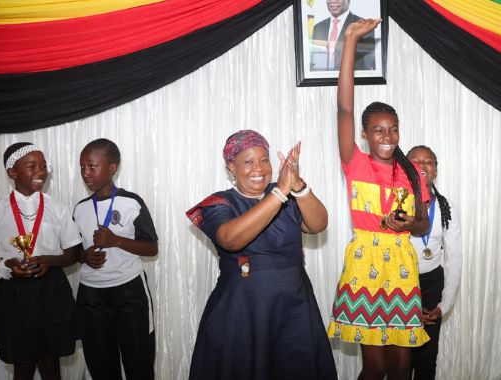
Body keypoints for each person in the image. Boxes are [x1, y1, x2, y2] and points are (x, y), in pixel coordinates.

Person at [186, 130, 336, 380]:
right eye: (248, 161)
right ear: (232, 166)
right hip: (242, 311)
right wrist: (279, 194)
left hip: (293, 307)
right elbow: (230, 239)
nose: (259, 168)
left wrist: (296, 184)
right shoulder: (219, 203)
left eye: (264, 160)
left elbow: (318, 224)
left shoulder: (288, 195)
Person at [327, 19, 430, 380]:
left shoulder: (412, 173)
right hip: (365, 265)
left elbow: (425, 224)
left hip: (401, 263)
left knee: (402, 366)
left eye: (393, 129)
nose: (387, 136)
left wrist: (408, 224)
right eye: (378, 130)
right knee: (375, 366)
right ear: (365, 134)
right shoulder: (355, 164)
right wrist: (351, 41)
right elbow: (343, 108)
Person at [0, 142, 81, 380]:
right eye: (32, 166)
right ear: (12, 172)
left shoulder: (57, 207)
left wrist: (49, 261)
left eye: (43, 166)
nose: (41, 172)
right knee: (22, 362)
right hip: (14, 293)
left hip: (50, 290)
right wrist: (6, 265)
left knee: (51, 361)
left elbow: (73, 254)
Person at [73, 138, 158, 380]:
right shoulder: (80, 208)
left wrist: (116, 240)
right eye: (82, 167)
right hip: (91, 296)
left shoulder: (131, 202)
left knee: (139, 365)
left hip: (129, 292)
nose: (85, 173)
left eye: (92, 166)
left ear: (112, 167)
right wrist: (84, 255)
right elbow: (74, 252)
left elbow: (151, 247)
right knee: (100, 367)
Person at [406, 145, 462, 380]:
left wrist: (443, 305)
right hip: (401, 284)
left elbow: (454, 258)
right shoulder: (396, 204)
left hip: (431, 284)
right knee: (400, 359)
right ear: (405, 169)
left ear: (436, 170)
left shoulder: (446, 209)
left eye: (428, 161)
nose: (421, 166)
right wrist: (406, 306)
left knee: (427, 357)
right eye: (415, 161)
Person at [310, 0, 375, 71]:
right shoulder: (318, 27)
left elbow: (368, 66)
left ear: (348, 1)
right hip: (321, 80)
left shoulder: (364, 26)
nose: (333, 1)